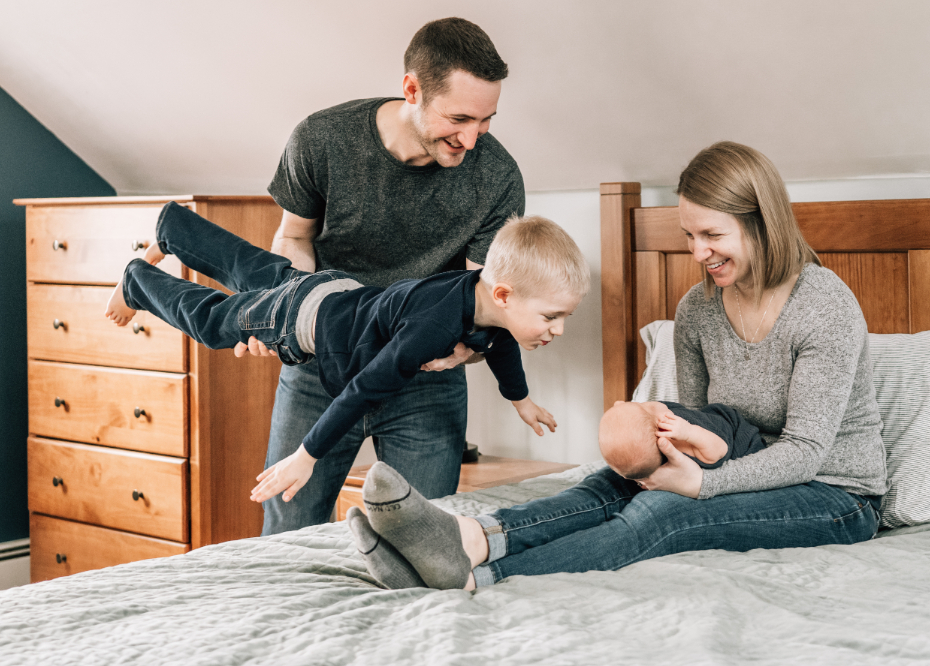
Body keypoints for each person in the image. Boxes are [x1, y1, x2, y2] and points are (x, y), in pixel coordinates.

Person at [346, 140, 888, 591]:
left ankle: (475, 579)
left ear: (761, 224)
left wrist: (697, 485)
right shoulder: (698, 309)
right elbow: (697, 421)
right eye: (689, 236)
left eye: (713, 235)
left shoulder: (823, 307)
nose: (698, 253)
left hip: (832, 492)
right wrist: (657, 456)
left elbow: (805, 453)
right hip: (733, 461)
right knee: (613, 485)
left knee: (664, 513)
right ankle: (471, 536)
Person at [105, 203, 588, 504]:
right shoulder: (434, 325)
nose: (558, 330)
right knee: (215, 323)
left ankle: (175, 227)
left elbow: (500, 342)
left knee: (256, 270)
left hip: (330, 289)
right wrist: (306, 455)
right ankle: (139, 282)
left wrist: (520, 400)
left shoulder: (481, 298)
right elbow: (363, 389)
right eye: (551, 317)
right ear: (503, 294)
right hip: (300, 321)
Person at [245, 17, 526, 534]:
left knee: (422, 543)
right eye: (459, 117)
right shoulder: (322, 138)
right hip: (319, 365)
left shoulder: (497, 177)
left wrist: (469, 348)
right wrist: (278, 310)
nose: (472, 138)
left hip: (425, 378)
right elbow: (294, 239)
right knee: (287, 531)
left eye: (485, 120)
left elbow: (486, 296)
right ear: (412, 89)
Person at [598, 400, 765, 480]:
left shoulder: (659, 426)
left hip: (720, 420)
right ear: (662, 431)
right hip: (744, 442)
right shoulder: (682, 443)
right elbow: (719, 450)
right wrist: (690, 433)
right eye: (644, 405)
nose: (647, 401)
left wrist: (625, 409)